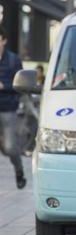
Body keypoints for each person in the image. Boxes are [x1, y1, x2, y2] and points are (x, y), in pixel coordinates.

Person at [0, 26, 26, 189]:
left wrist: (4, 86)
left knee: (10, 148)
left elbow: (22, 85)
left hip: (8, 108)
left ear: (3, 40)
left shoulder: (13, 60)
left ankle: (19, 170)